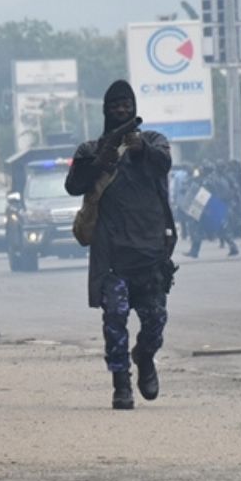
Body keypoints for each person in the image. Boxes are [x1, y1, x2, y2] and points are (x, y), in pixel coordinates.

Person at [65, 80, 177, 411]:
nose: (121, 110)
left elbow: (164, 164)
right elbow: (74, 186)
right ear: (105, 110)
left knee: (155, 321)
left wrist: (139, 147)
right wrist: (102, 158)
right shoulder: (90, 150)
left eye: (126, 104)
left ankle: (145, 357)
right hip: (112, 255)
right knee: (114, 319)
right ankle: (121, 383)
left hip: (151, 252)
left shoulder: (154, 142)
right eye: (115, 105)